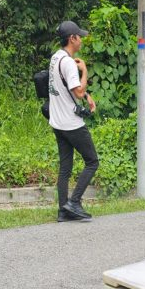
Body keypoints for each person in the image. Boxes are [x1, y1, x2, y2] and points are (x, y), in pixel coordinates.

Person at [49, 20, 97, 222]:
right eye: (79, 37)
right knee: (92, 161)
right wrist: (84, 71)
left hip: (57, 122)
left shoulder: (56, 58)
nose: (81, 40)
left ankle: (63, 211)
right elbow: (77, 91)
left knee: (65, 168)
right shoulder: (69, 63)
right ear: (72, 38)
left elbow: (66, 87)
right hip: (71, 123)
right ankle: (74, 202)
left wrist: (87, 96)